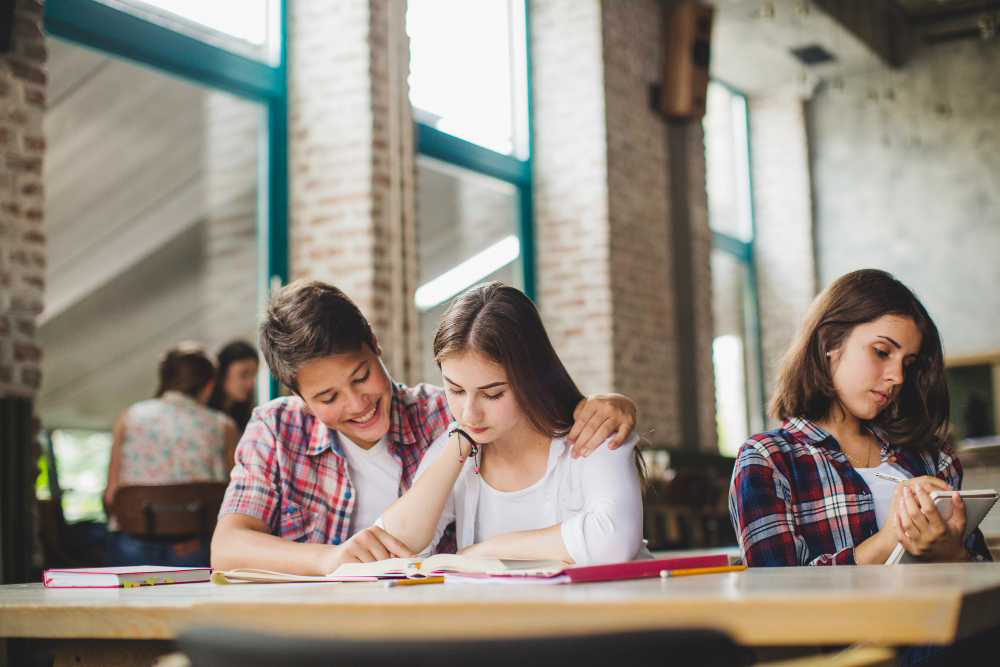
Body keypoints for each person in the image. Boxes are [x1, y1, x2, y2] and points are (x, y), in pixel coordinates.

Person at [211, 280, 637, 575]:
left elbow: (611, 535)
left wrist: (613, 403)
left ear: (376, 344)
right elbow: (227, 548)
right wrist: (329, 559)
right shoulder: (276, 426)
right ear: (299, 396)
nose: (356, 404)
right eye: (327, 398)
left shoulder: (441, 415)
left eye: (362, 378)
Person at [729, 269, 991, 568]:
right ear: (830, 342)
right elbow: (773, 593)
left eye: (908, 362)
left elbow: (985, 582)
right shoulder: (767, 460)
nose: (897, 376)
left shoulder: (934, 457)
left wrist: (953, 554)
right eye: (881, 351)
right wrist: (887, 541)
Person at [378, 282, 646, 564]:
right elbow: (391, 545)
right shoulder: (459, 445)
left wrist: (485, 551)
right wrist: (458, 445)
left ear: (532, 378)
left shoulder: (593, 431)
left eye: (492, 394)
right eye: (455, 390)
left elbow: (614, 541)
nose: (469, 414)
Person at [104, 342, 238, 566]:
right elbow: (235, 499)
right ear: (208, 385)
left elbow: (111, 496)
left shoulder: (128, 418)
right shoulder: (222, 425)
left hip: (132, 543)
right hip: (195, 546)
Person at [207, 340, 259, 436]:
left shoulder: (249, 419)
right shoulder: (205, 415)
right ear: (222, 371)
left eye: (253, 376)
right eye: (244, 374)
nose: (250, 384)